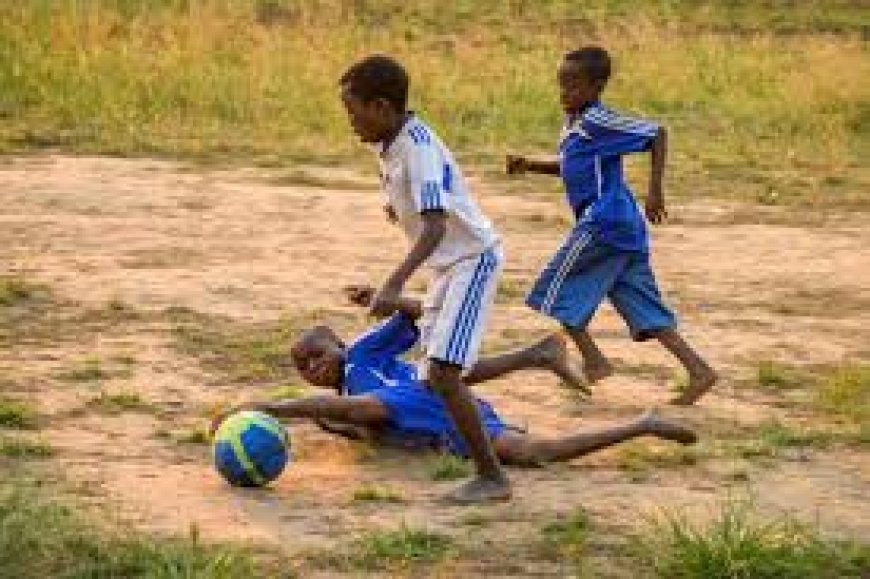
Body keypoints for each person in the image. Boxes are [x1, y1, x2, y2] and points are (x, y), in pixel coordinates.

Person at [212, 287, 697, 473]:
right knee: (534, 455)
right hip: (435, 418)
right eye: (304, 368)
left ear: (339, 344)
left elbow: (422, 312)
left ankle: (263, 406)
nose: (313, 369)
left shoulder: (362, 352)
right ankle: (642, 424)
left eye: (317, 357)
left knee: (374, 403)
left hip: (410, 396)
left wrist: (390, 298)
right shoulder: (342, 395)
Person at [338, 54, 511, 502]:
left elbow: (434, 224)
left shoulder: (417, 147)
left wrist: (393, 286)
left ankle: (492, 477)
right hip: (447, 266)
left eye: (352, 111)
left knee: (446, 372)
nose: (350, 122)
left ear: (380, 107)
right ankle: (474, 453)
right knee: (438, 372)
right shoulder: (388, 144)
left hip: (471, 260)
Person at [506, 46, 716, 405]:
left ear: (596, 87)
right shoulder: (575, 124)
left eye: (573, 87)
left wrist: (655, 192)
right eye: (561, 85)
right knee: (642, 306)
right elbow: (572, 165)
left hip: (604, 223)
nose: (564, 94)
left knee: (553, 289)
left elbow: (656, 134)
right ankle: (699, 371)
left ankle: (594, 360)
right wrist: (530, 166)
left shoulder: (596, 121)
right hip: (621, 230)